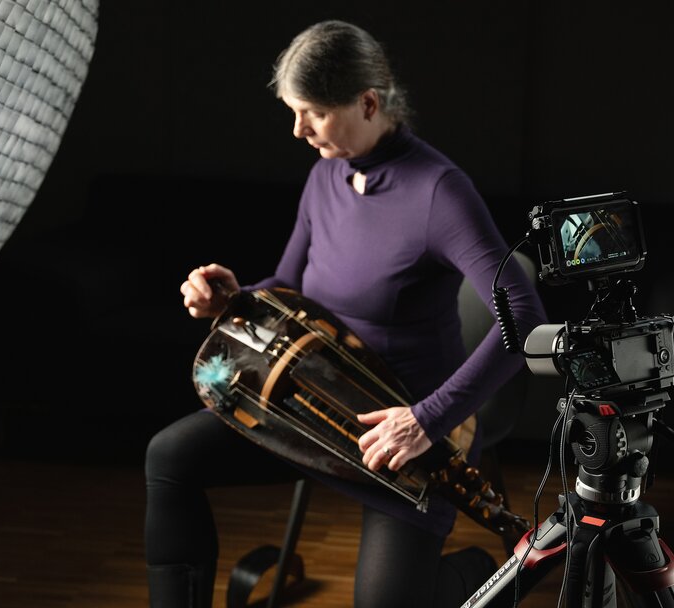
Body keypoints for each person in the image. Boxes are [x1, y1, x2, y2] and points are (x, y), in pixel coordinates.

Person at [144, 19, 546, 608]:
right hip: (310, 405)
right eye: (293, 111)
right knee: (169, 456)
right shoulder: (325, 172)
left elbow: (526, 316)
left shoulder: (438, 191)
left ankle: (486, 569)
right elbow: (291, 286)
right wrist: (233, 298)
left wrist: (425, 419)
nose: (298, 129)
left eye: (312, 113)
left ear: (367, 102)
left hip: (402, 432)